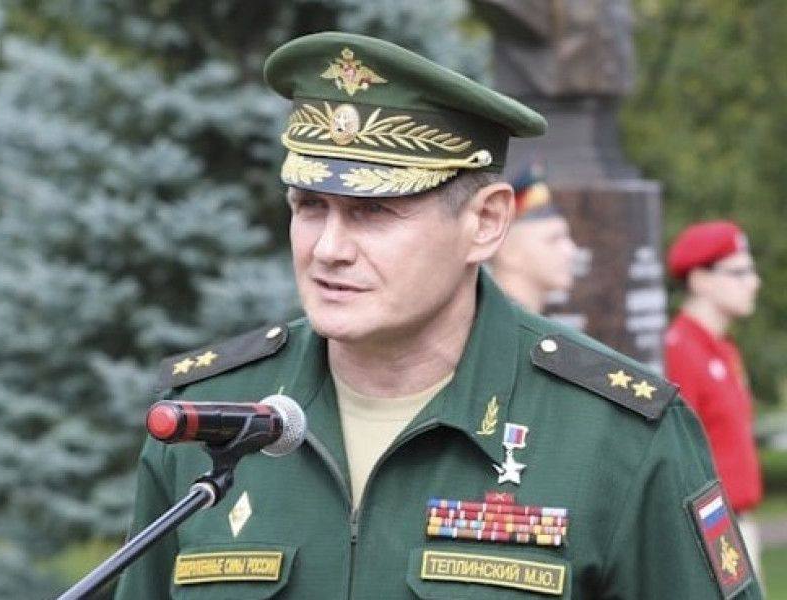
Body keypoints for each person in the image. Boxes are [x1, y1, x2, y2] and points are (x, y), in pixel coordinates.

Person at [115, 32, 761, 599]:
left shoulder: (613, 436)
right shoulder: (212, 419)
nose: (329, 248)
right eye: (310, 206)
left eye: (374, 211)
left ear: (486, 222)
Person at [665, 220, 764, 582]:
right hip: (711, 525)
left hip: (736, 521)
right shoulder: (679, 350)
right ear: (700, 280)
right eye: (739, 272)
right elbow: (677, 455)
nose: (754, 282)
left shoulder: (723, 349)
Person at [490, 162, 576, 313]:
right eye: (553, 239)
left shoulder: (506, 317)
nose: (571, 251)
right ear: (508, 253)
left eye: (566, 238)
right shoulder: (497, 323)